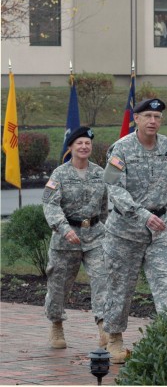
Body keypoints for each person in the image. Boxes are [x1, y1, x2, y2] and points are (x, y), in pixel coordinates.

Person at [101, 98, 167, 363]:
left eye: (157, 117)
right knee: (120, 288)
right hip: (125, 232)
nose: (153, 122)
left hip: (160, 230)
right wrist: (143, 215)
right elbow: (114, 188)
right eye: (147, 116)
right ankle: (114, 337)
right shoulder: (120, 149)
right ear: (136, 119)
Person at [42, 126, 109, 349]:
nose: (83, 147)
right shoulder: (59, 174)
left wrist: (106, 229)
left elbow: (106, 206)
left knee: (103, 280)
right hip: (65, 239)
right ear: (70, 147)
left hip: (95, 237)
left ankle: (104, 329)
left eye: (87, 143)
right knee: (58, 285)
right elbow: (50, 205)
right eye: (79, 143)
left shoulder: (101, 173)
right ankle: (56, 325)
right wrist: (63, 227)